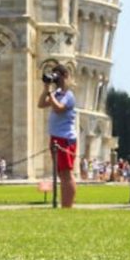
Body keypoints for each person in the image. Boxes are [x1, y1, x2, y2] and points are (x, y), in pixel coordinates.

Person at [38, 63, 77, 208]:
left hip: (65, 138)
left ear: (65, 76)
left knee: (67, 174)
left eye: (57, 76)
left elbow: (59, 108)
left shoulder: (69, 95)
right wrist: (46, 89)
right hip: (56, 137)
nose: (56, 80)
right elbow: (41, 104)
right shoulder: (57, 93)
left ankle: (68, 206)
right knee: (61, 174)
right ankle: (65, 204)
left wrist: (51, 95)